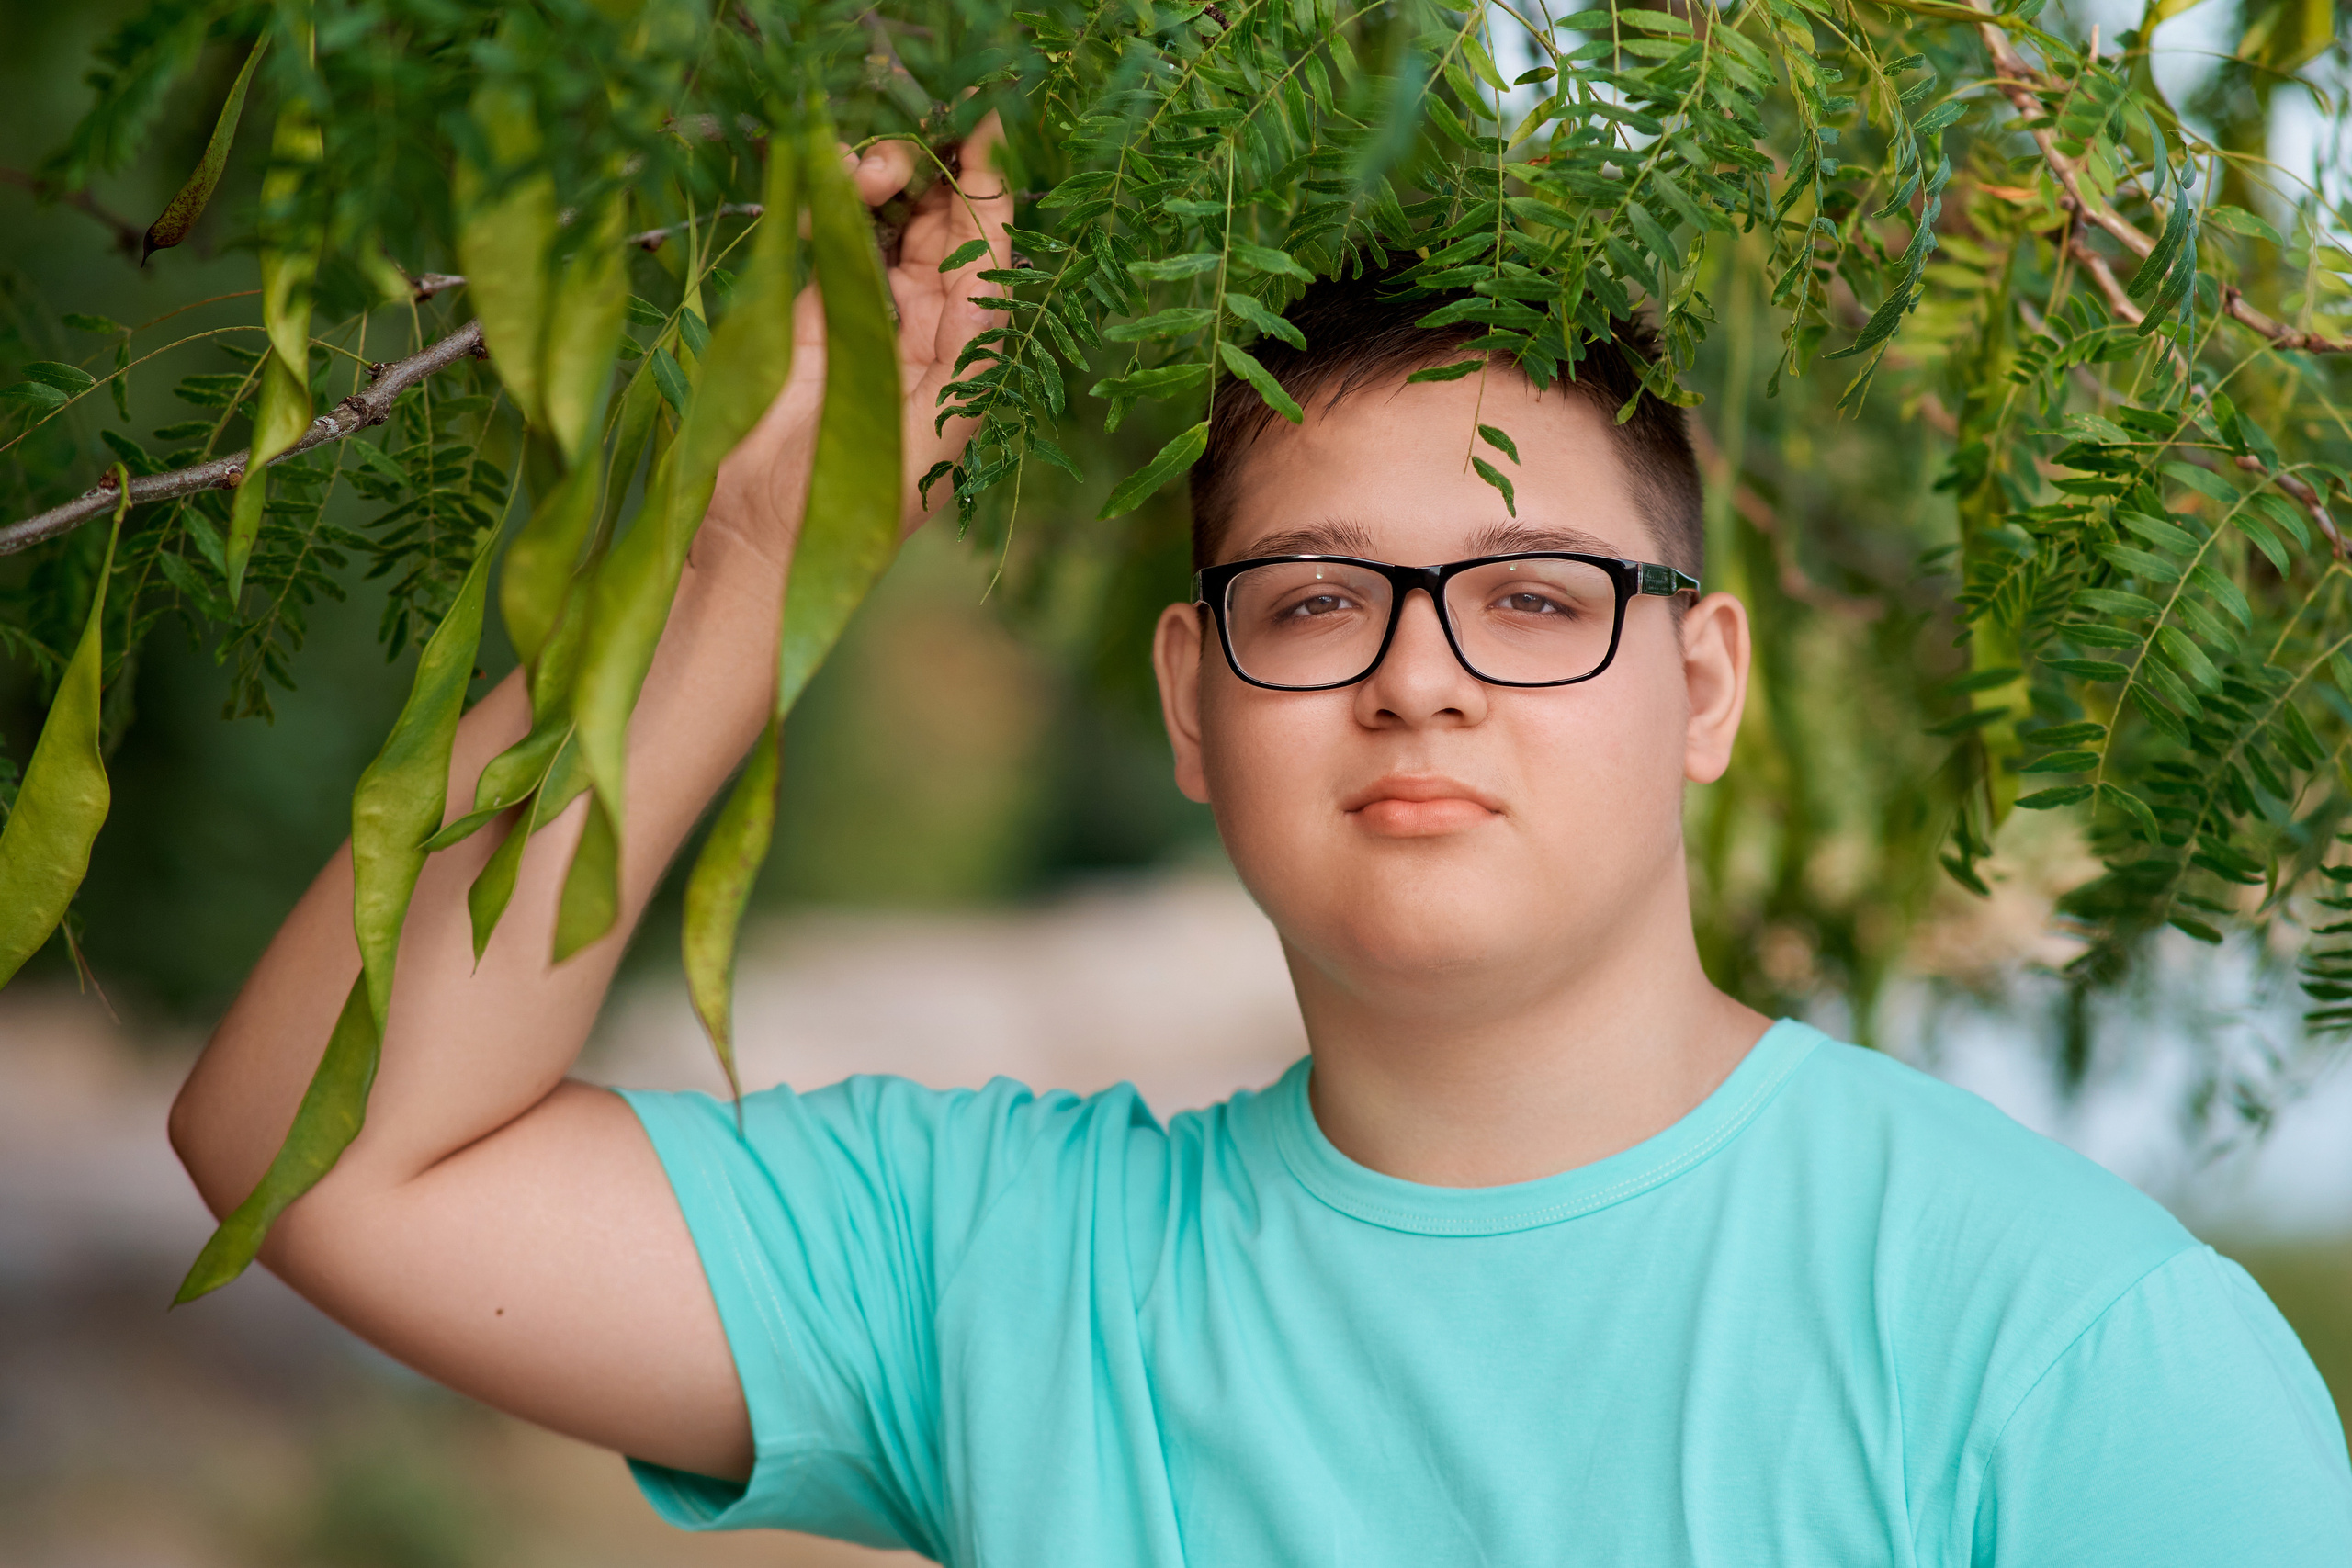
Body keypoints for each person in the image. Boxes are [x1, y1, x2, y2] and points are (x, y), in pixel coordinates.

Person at [169, 120, 2352, 1567]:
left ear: (1701, 684)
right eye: (1312, 600)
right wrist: (759, 529)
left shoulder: (2082, 1354)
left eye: (1529, 595)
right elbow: (328, 1149)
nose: (1417, 677)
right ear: (1194, 709)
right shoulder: (1001, 1272)